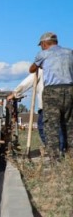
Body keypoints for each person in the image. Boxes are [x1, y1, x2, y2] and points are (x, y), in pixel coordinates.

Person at [29, 31, 73, 159]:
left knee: (51, 125)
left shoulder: (43, 54)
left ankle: (55, 158)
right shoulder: (70, 52)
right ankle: (71, 157)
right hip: (70, 89)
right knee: (70, 124)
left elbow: (31, 69)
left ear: (44, 44)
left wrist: (41, 65)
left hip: (52, 91)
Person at [7, 71, 67, 153]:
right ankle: (63, 150)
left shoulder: (42, 69)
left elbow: (27, 82)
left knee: (44, 126)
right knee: (62, 126)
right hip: (65, 102)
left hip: (48, 104)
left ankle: (57, 151)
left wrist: (15, 93)